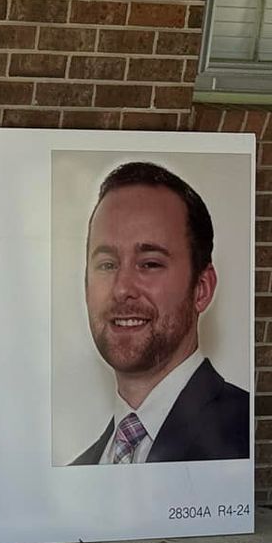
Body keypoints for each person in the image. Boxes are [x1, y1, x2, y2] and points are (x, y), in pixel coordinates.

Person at [70, 160, 249, 465]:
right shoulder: (79, 469)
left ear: (202, 288)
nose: (122, 288)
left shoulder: (243, 436)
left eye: (150, 263)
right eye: (107, 265)